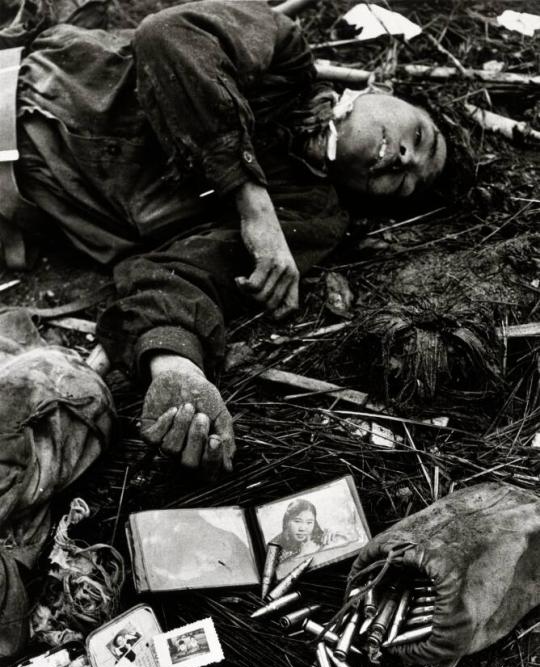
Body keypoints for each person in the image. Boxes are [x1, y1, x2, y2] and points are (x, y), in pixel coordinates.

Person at [5, 0, 447, 478]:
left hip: (17, 199)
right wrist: (252, 203)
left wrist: (175, 368)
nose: (405, 157)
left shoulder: (309, 216)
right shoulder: (283, 55)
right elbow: (167, 35)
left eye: (408, 182)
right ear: (380, 90)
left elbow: (186, 272)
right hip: (22, 85)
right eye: (419, 135)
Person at [273, 498, 347, 559]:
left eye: (309, 522)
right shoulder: (275, 546)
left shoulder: (327, 538)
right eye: (297, 521)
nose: (303, 528)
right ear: (287, 522)